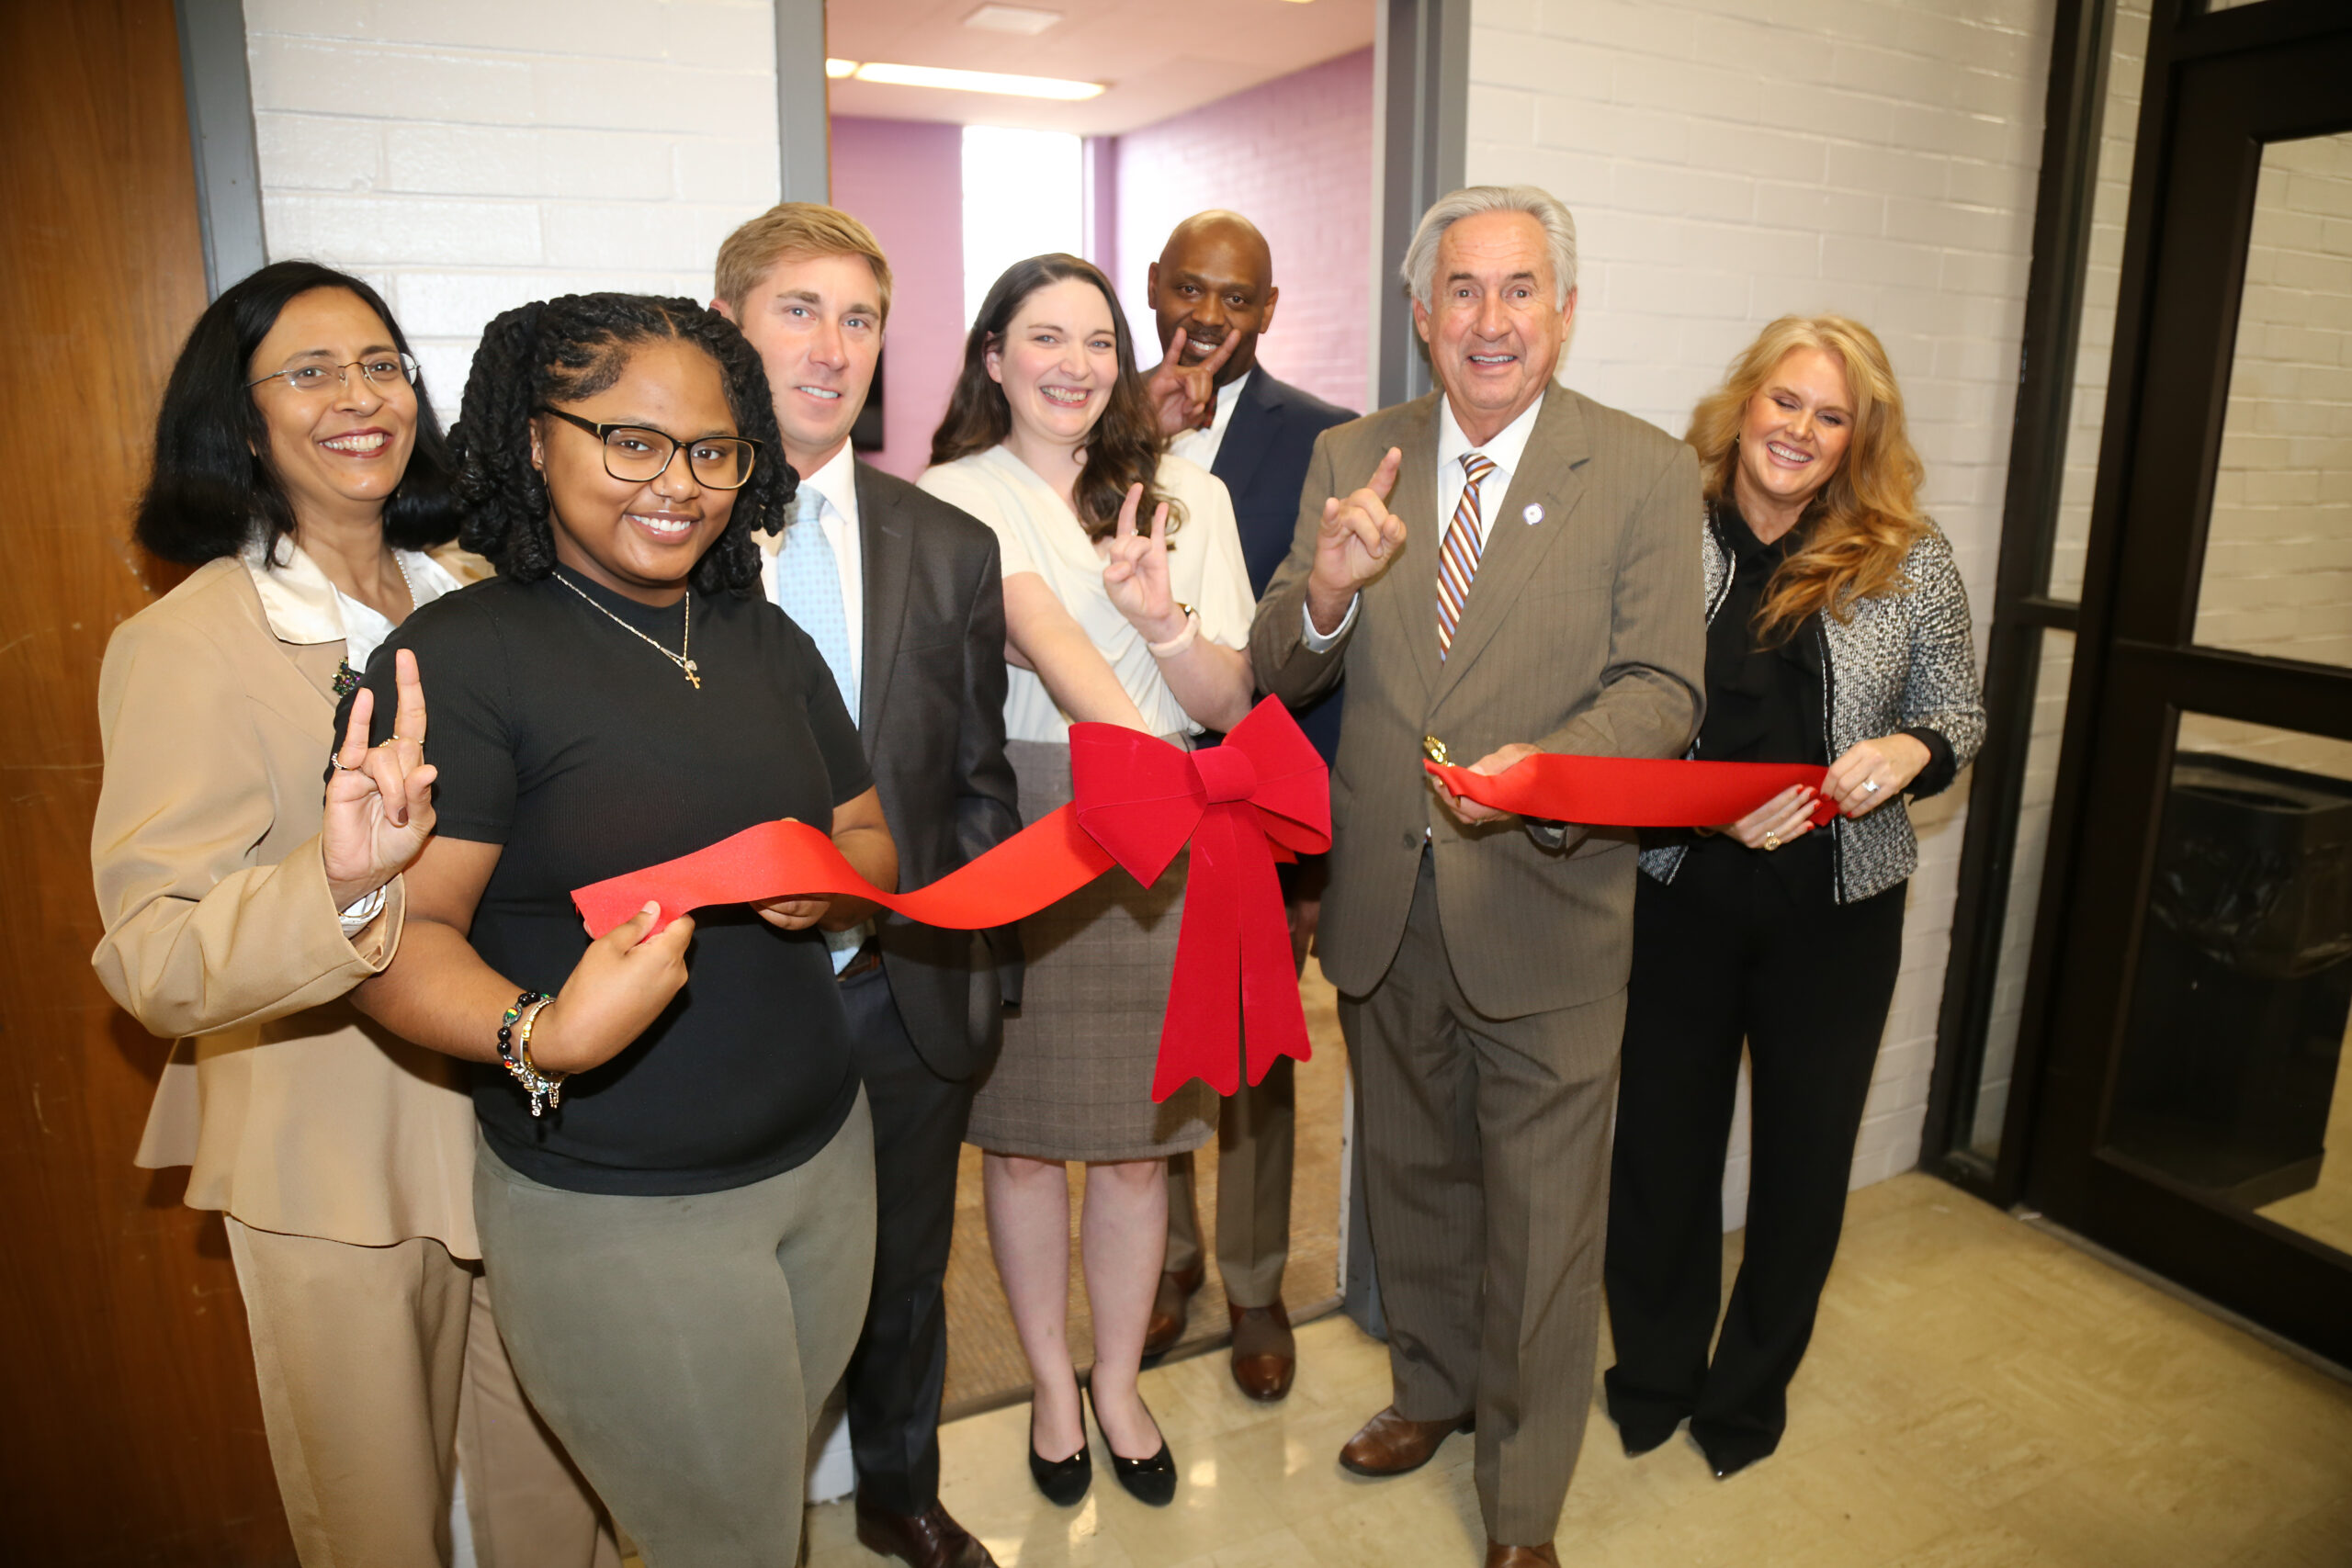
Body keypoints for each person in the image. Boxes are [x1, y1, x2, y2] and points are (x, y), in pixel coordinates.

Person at [347, 293, 897, 1562]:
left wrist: (831, 880)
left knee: (762, 1507)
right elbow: (392, 936)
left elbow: (873, 839)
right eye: (631, 442)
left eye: (713, 450)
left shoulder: (760, 635)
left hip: (823, 1156)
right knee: (728, 1540)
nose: (680, 484)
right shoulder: (463, 657)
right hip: (626, 1209)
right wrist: (543, 1029)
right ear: (534, 441)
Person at [90, 260, 614, 1567]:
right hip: (329, 1155)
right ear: (241, 416)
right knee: (376, 1529)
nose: (361, 396)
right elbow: (153, 952)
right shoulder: (189, 641)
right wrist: (333, 878)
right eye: (312, 371)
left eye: (382, 364)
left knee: (569, 1513)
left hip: (524, 1124)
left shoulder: (486, 594)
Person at [1247, 186, 1705, 1568]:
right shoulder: (1353, 456)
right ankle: (1431, 1395)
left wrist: (1543, 773)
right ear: (1419, 313)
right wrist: (1325, 589)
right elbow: (1282, 661)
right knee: (1418, 1188)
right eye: (1462, 291)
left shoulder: (1639, 470)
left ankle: (1520, 1506)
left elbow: (1665, 688)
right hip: (1389, 911)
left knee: (1545, 1234)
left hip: (1550, 910)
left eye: (1520, 290)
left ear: (1564, 314)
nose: (1489, 320)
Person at [1603, 316, 1984, 1478]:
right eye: (1786, 403)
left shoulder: (1908, 556)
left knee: (1803, 1162)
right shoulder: (1661, 526)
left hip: (1836, 909)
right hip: (1677, 892)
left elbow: (1957, 711)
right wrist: (1686, 797)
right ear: (1744, 402)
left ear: (1856, 439)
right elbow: (1610, 699)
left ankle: (1747, 1393)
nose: (1801, 432)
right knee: (1660, 1153)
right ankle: (1655, 1371)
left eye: (1831, 417)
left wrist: (1912, 753)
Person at [917, 254, 1255, 1510]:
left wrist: (1165, 621)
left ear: (1124, 360)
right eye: (1042, 336)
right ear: (992, 356)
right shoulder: (949, 498)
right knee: (1016, 1143)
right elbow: (1031, 655)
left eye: (1098, 340)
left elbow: (1228, 700)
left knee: (1132, 1146)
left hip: (1167, 815)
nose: (1074, 362)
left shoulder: (1191, 499)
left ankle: (1117, 1381)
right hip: (1016, 817)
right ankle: (1051, 1385)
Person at [713, 203, 1021, 1568]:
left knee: (904, 1270)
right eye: (799, 309)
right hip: (713, 994)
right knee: (741, 1284)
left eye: (860, 318)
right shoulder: (667, 528)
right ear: (729, 323)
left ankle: (900, 1487)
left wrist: (984, 959)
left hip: (904, 988)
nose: (832, 346)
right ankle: (740, 1516)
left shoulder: (945, 545)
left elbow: (973, 774)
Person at [1138, 210, 1355, 1401]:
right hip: (1138, 802)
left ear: (1266, 309)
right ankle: (1170, 1258)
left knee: (1257, 1060)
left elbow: (1331, 652)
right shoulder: (1097, 418)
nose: (1207, 314)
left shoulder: (1323, 438)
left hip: (1263, 810)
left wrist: (1313, 855)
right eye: (1189, 288)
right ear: (1157, 287)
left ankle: (1259, 1280)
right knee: (1155, 1046)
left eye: (1235, 296)